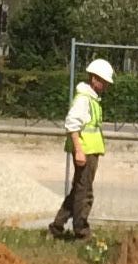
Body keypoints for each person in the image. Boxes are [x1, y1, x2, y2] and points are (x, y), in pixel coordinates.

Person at [49, 55, 115, 240]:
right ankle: (82, 232)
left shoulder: (91, 99)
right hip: (85, 151)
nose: (107, 86)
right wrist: (79, 150)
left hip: (89, 151)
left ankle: (57, 226)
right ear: (94, 79)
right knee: (84, 192)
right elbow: (71, 123)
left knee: (78, 189)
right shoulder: (84, 100)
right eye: (104, 81)